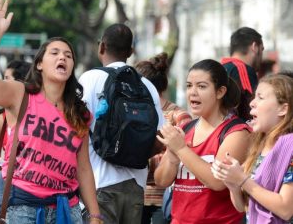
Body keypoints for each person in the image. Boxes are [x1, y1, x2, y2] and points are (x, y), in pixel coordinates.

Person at [0, 0, 101, 223]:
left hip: (66, 211)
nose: (63, 58)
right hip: (22, 209)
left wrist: (95, 214)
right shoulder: (20, 94)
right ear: (39, 63)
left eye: (68, 55)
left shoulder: (80, 113)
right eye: (55, 53)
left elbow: (84, 168)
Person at [79, 23, 165, 223]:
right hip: (136, 186)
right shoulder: (147, 86)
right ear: (131, 52)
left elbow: (75, 129)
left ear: (101, 47)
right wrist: (134, 153)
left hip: (98, 184)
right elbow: (160, 139)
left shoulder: (90, 79)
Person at [154, 59, 252, 224]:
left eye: (201, 86)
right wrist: (172, 156)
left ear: (220, 92)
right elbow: (161, 181)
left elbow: (217, 182)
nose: (192, 92)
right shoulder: (185, 128)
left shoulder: (237, 132)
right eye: (189, 86)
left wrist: (181, 149)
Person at [212, 74, 293, 223]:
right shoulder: (259, 146)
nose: (252, 103)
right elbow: (243, 207)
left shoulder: (291, 148)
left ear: (283, 109)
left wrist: (242, 180)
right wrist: (233, 184)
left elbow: (286, 209)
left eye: (260, 97)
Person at [134, 52, 192, 224]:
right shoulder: (134, 113)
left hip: (164, 199)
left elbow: (185, 156)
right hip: (137, 196)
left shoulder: (178, 116)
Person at [0, 59, 31, 216]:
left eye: (6, 78)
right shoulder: (0, 121)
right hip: (5, 184)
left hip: (30, 189)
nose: (2, 83)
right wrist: (3, 162)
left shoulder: (38, 117)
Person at [221, 27, 264, 121]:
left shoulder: (219, 68)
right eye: (262, 49)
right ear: (255, 47)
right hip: (239, 130)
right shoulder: (243, 70)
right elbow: (252, 108)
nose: (262, 56)